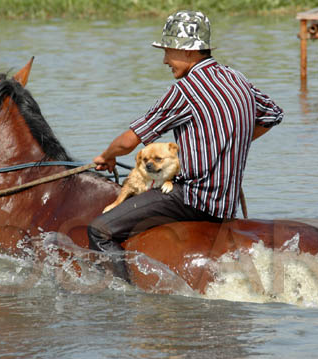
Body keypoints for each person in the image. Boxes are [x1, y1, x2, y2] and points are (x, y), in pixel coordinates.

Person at [88, 10, 283, 280]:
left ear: (190, 52)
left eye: (169, 51)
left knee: (100, 230)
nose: (166, 60)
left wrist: (106, 156)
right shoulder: (238, 79)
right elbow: (273, 114)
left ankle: (122, 299)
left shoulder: (185, 91)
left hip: (192, 198)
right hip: (225, 204)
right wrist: (230, 142)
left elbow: (128, 142)